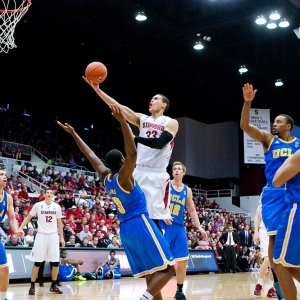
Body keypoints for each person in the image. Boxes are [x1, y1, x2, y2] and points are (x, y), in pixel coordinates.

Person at [58, 104, 175, 300]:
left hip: (126, 230)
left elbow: (91, 155)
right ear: (121, 162)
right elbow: (133, 154)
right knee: (169, 269)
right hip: (141, 223)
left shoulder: (106, 177)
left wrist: (74, 134)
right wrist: (123, 122)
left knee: (151, 271)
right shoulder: (124, 178)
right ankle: (143, 298)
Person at [83, 77, 179, 225]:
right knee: (134, 213)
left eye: (155, 99)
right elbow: (119, 107)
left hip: (157, 174)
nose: (151, 101)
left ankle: (158, 245)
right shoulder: (142, 118)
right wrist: (98, 90)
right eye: (151, 99)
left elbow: (159, 143)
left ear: (164, 104)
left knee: (155, 220)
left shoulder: (171, 122)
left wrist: (136, 139)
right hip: (138, 170)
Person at [241, 83, 298, 297]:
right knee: (273, 242)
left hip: (293, 193)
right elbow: (245, 126)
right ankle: (281, 289)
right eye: (273, 121)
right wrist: (248, 102)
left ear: (289, 126)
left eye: (279, 121)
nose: (274, 124)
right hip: (274, 195)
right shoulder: (268, 140)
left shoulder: (298, 145)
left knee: (289, 244)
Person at [159, 161, 207, 300]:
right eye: (175, 168)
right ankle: (156, 291)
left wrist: (199, 227)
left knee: (183, 261)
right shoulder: (166, 184)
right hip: (164, 225)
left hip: (179, 227)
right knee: (161, 261)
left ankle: (179, 291)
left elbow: (191, 210)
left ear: (184, 173)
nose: (177, 170)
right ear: (172, 171)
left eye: (179, 169)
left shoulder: (187, 190)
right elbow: (155, 200)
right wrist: (162, 214)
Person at [17, 188, 65, 295]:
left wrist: (61, 237)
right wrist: (20, 228)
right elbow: (28, 217)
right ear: (44, 194)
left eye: (50, 193)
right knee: (37, 262)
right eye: (47, 193)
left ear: (53, 195)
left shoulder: (57, 207)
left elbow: (60, 223)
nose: (49, 194)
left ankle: (53, 285)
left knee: (55, 263)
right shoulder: (38, 205)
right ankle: (32, 286)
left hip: (53, 236)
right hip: (41, 236)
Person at [271, 149, 300, 299]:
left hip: (297, 211)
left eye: (279, 122)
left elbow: (276, 180)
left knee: (279, 265)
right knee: (291, 265)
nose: (275, 124)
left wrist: (285, 161)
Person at [0, 168, 23, 300]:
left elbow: (12, 219)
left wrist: (17, 231)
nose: (5, 177)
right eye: (1, 174)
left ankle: (3, 298)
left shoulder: (8, 198)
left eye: (5, 175)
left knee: (4, 269)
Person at [253, 202, 278, 297]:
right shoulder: (264, 197)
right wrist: (256, 232)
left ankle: (272, 288)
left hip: (277, 232)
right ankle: (259, 284)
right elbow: (256, 216)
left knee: (274, 262)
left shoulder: (281, 196)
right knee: (267, 259)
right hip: (264, 231)